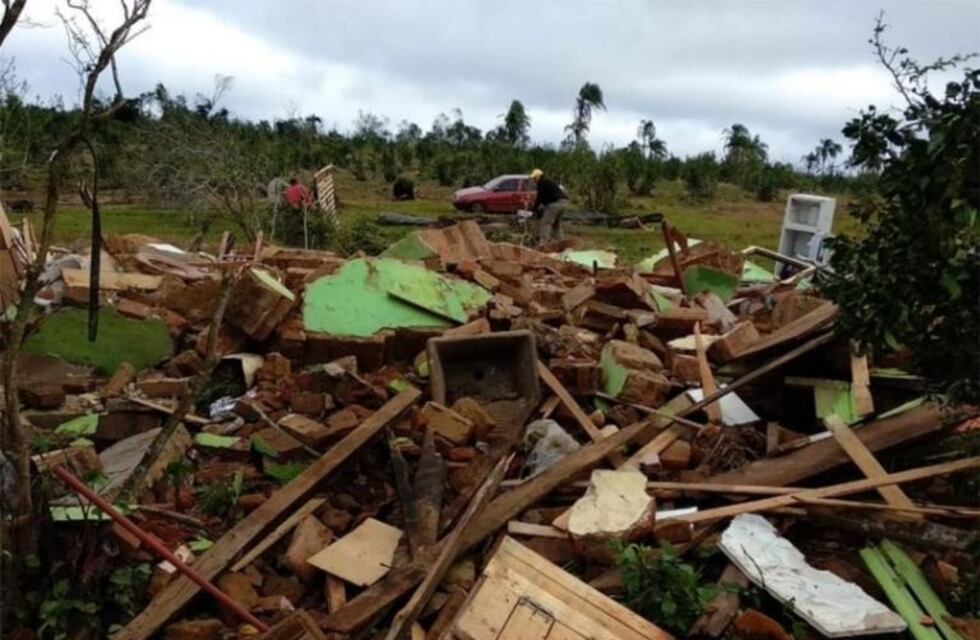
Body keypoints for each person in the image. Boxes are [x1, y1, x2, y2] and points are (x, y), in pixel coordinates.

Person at [529, 168, 568, 246]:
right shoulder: (548, 181)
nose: (533, 180)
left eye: (534, 178)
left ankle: (543, 245)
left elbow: (540, 197)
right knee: (556, 225)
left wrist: (534, 208)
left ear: (538, 177)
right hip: (563, 203)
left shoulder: (542, 182)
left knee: (545, 223)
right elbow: (546, 197)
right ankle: (561, 243)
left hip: (555, 204)